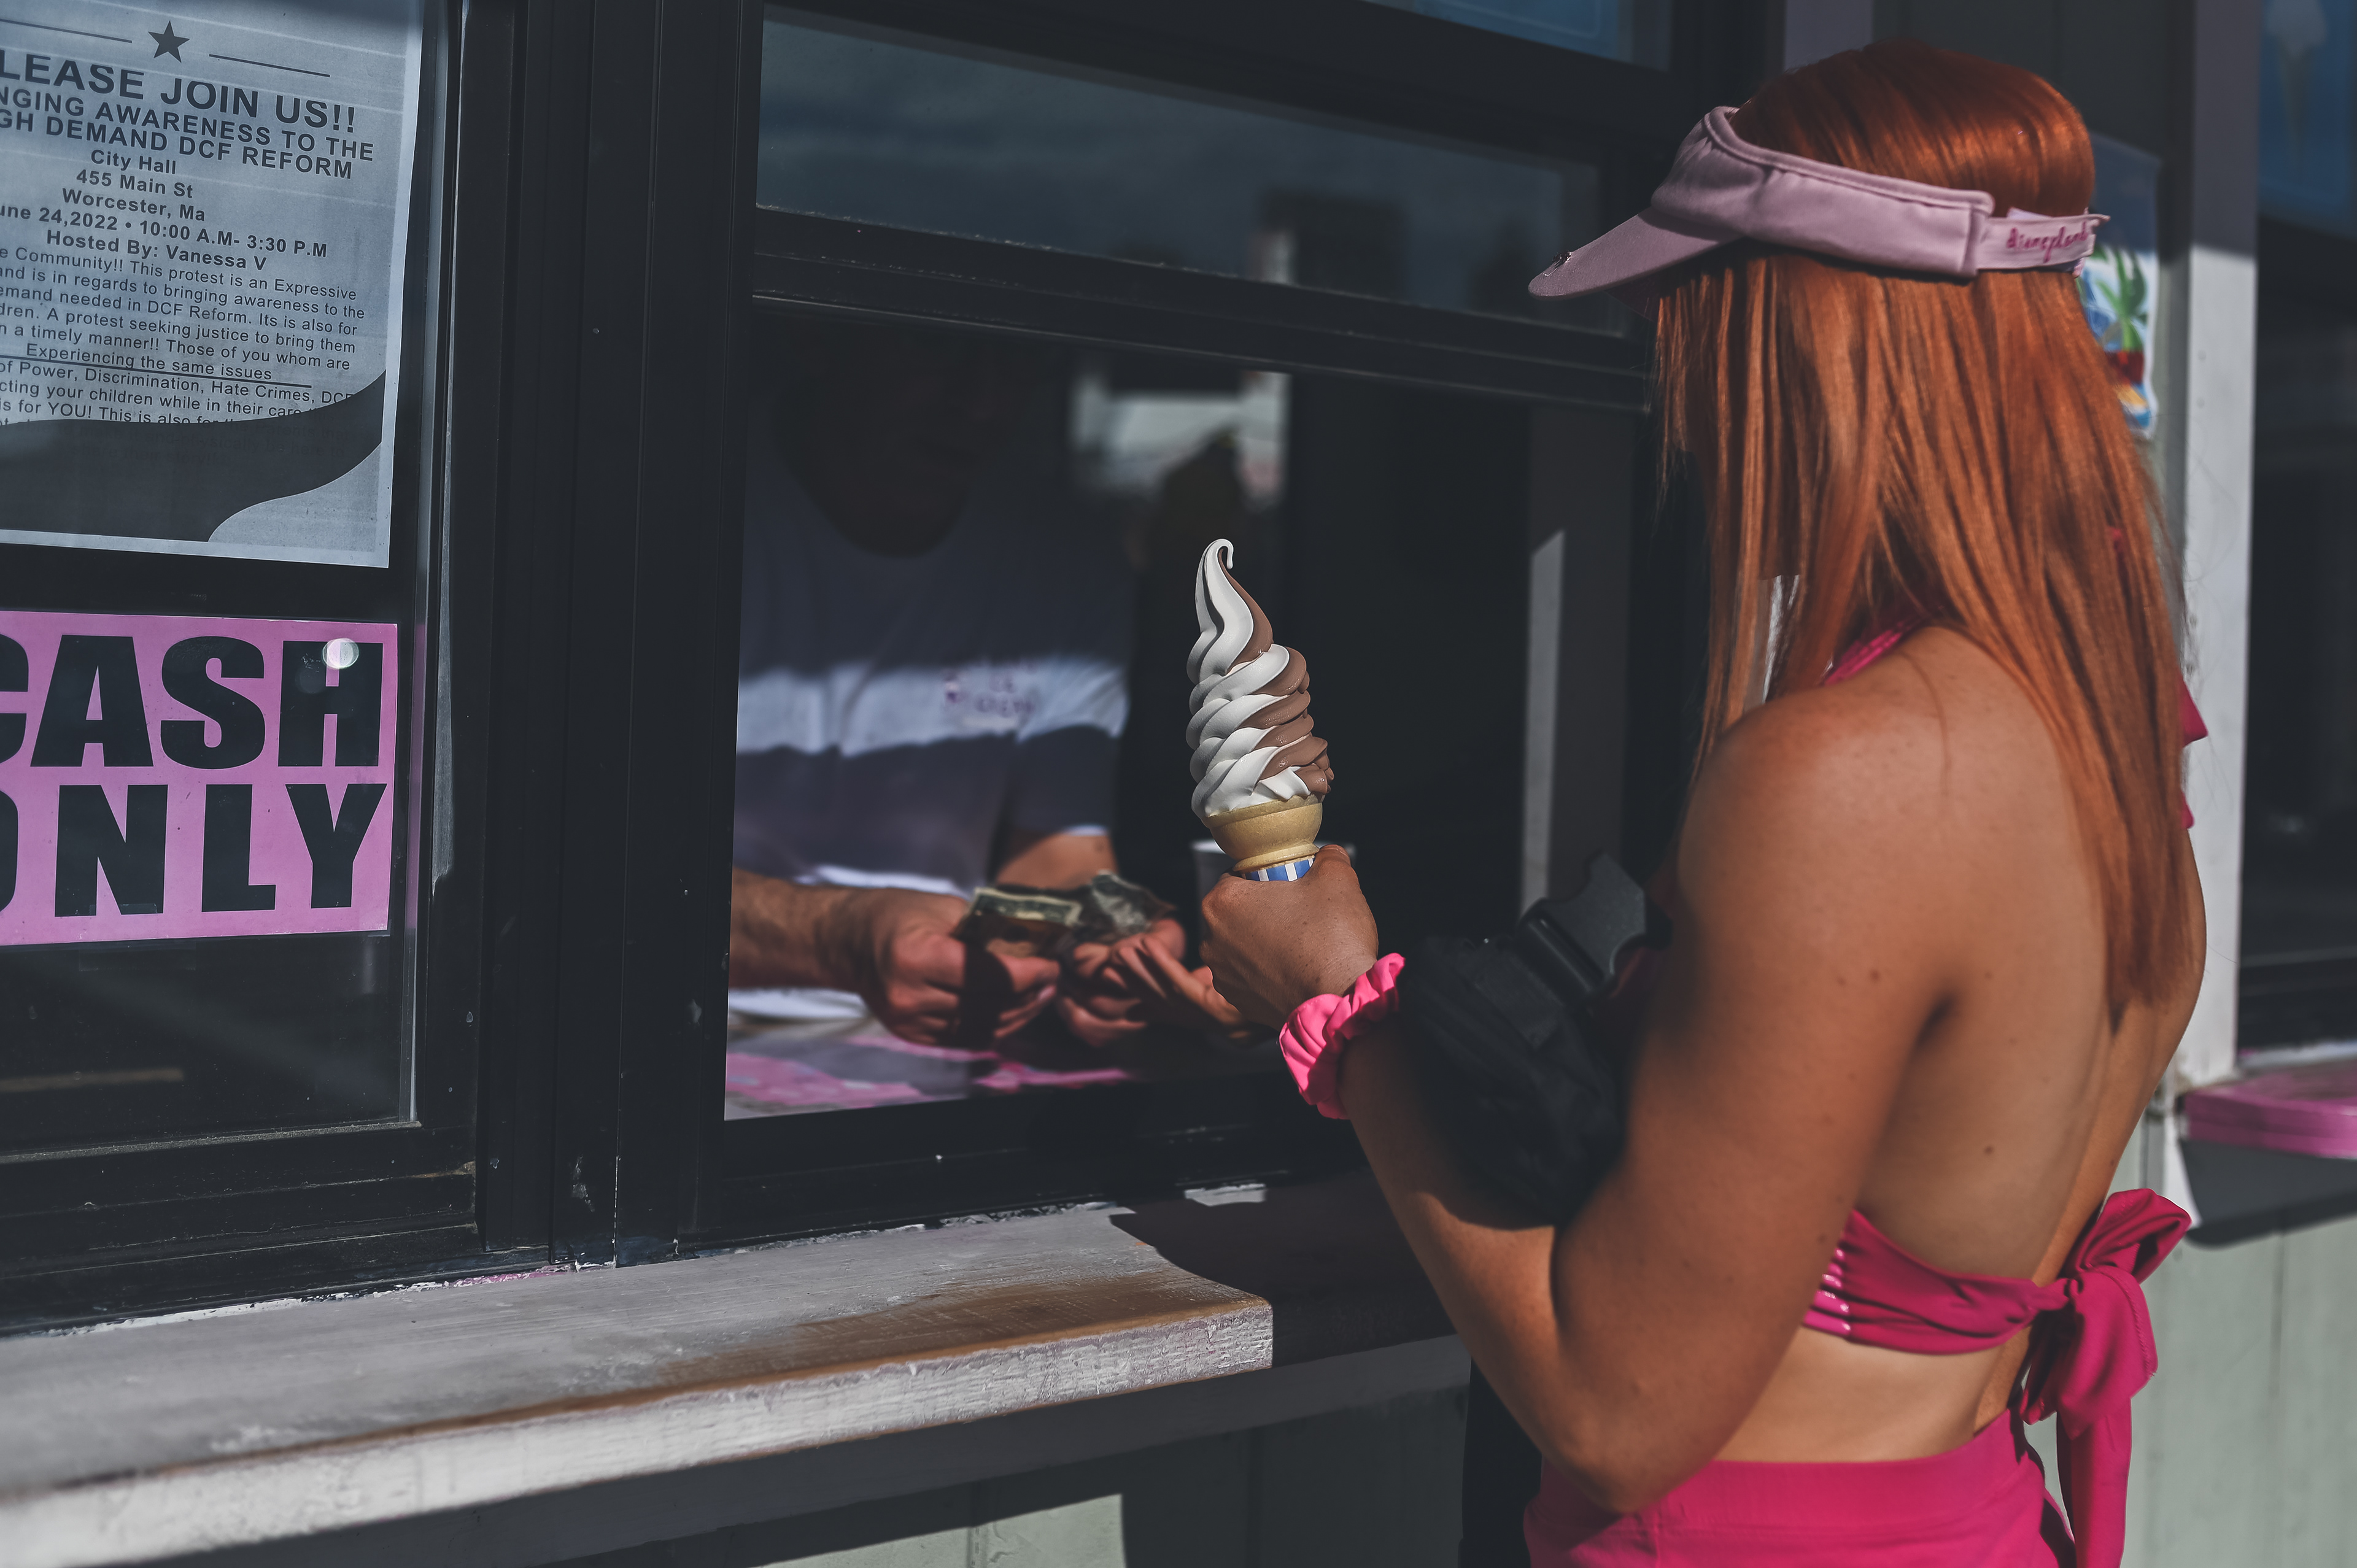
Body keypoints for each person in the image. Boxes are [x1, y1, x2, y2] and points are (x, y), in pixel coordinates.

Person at [1199, 41, 2202, 1566]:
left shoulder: (1850, 770)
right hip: (1979, 1515)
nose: (1684, 407)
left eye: (1697, 336)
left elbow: (1617, 1406)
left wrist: (1340, 1012)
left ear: (1807, 347)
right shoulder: (2120, 740)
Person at [728, 320, 1229, 1048]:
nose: (983, 399)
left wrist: (1115, 931)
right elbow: (602, 868)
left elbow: (1061, 854)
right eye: (939, 343)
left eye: (1020, 355)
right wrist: (838, 938)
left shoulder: (1066, 561)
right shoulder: (674, 504)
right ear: (821, 336)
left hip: (934, 1033)